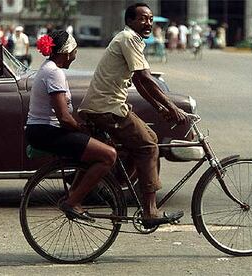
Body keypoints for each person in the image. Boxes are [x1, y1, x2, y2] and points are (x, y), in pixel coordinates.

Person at [78, 3, 187, 228]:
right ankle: (149, 211)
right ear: (130, 21)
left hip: (107, 107)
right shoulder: (128, 38)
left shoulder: (131, 40)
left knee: (150, 137)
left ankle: (117, 185)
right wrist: (172, 107)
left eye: (150, 19)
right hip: (107, 109)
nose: (147, 23)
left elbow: (138, 81)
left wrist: (160, 109)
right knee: (148, 147)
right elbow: (146, 78)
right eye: (143, 19)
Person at [25, 30, 117, 222]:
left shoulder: (49, 67)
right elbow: (64, 119)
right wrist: (82, 129)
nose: (75, 56)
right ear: (66, 52)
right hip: (45, 132)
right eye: (74, 52)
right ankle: (73, 201)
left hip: (44, 130)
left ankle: (73, 195)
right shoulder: (54, 73)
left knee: (92, 150)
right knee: (109, 155)